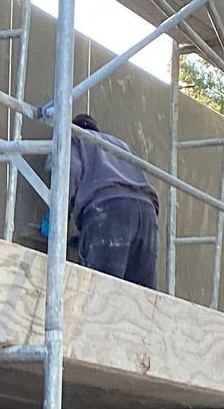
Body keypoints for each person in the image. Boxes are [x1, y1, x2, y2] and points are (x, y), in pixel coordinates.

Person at [63, 113, 161, 289]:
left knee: (98, 292)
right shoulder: (120, 144)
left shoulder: (75, 139)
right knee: (141, 299)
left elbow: (69, 171)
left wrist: (58, 218)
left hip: (108, 211)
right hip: (147, 214)